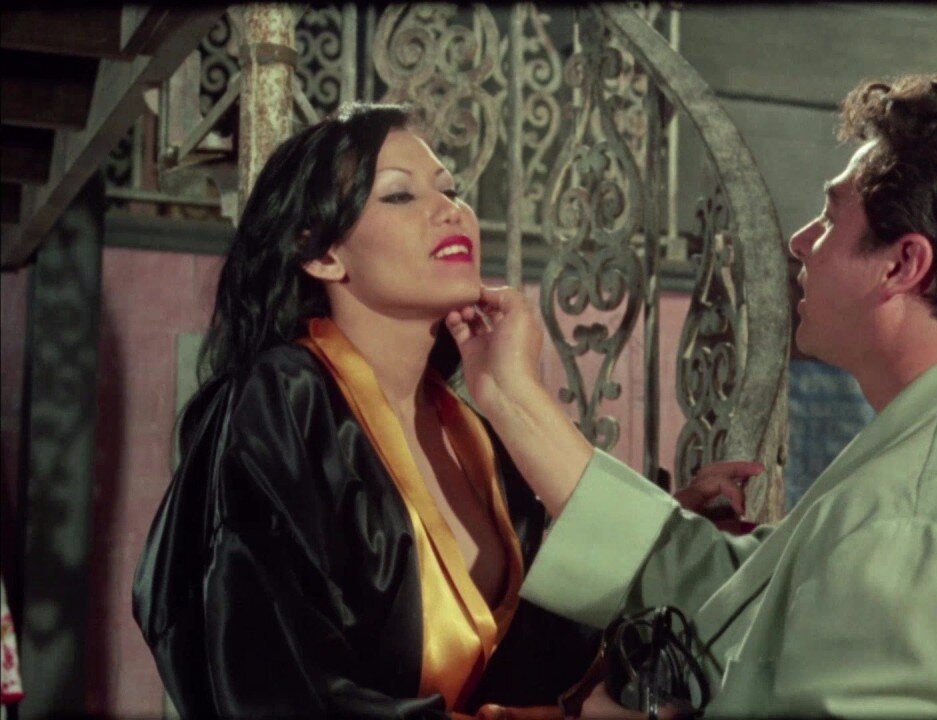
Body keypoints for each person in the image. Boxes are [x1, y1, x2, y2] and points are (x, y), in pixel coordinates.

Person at [444, 74, 937, 717]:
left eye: (831, 217)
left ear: (902, 264)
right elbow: (739, 590)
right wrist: (509, 392)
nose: (802, 242)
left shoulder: (920, 513)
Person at [131, 103, 601, 718]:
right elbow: (276, 683)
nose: (450, 210)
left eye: (450, 189)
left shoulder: (472, 431)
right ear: (320, 252)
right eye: (400, 195)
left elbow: (543, 658)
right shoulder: (283, 401)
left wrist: (519, 393)